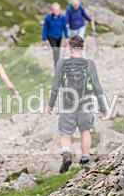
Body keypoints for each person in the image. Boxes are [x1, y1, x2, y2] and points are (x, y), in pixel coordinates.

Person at [46, 36, 108, 173]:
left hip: (68, 103)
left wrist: (51, 103)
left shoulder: (62, 63)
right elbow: (97, 86)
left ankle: (67, 153)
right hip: (86, 103)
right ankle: (85, 158)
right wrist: (102, 107)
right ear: (83, 47)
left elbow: (55, 85)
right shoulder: (89, 63)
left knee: (65, 133)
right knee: (85, 131)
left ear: (69, 47)